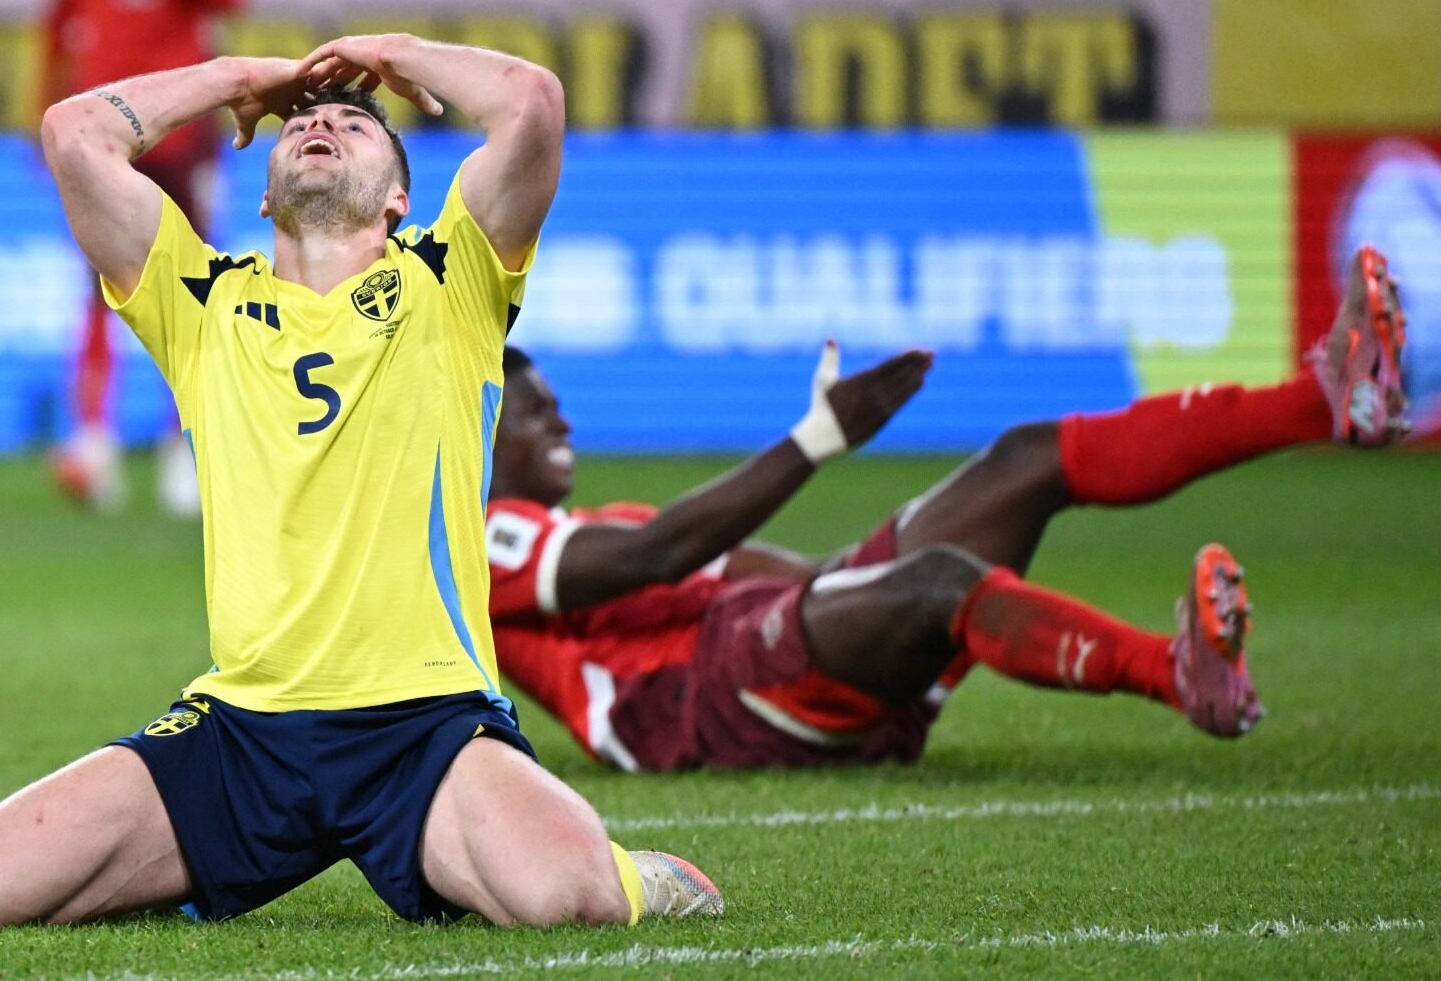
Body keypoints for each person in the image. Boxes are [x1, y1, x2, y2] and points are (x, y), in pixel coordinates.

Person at [0, 35, 722, 927]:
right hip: (243, 731)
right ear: (264, 190)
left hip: (421, 726)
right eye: (303, 123)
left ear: (398, 197)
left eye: (355, 123)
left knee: (569, 900)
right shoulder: (198, 302)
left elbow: (531, 103)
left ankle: (638, 873)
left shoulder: (449, 280)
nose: (326, 125)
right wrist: (235, 77)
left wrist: (392, 53)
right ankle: (206, 857)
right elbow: (75, 134)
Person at [484, 247, 1408, 771]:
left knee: (1026, 458)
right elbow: (657, 560)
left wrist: (856, 602)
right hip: (694, 711)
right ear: (481, 430)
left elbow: (736, 570)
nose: (562, 416)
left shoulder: (584, 526)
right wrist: (815, 441)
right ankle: (1182, 674)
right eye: (534, 408)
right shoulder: (472, 535)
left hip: (759, 654)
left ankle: (1321, 403)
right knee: (935, 583)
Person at [40, 0, 258, 516]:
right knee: (97, 285)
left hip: (183, 129)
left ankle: (184, 448)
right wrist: (44, 105)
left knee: (193, 288)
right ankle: (92, 444)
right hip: (99, 122)